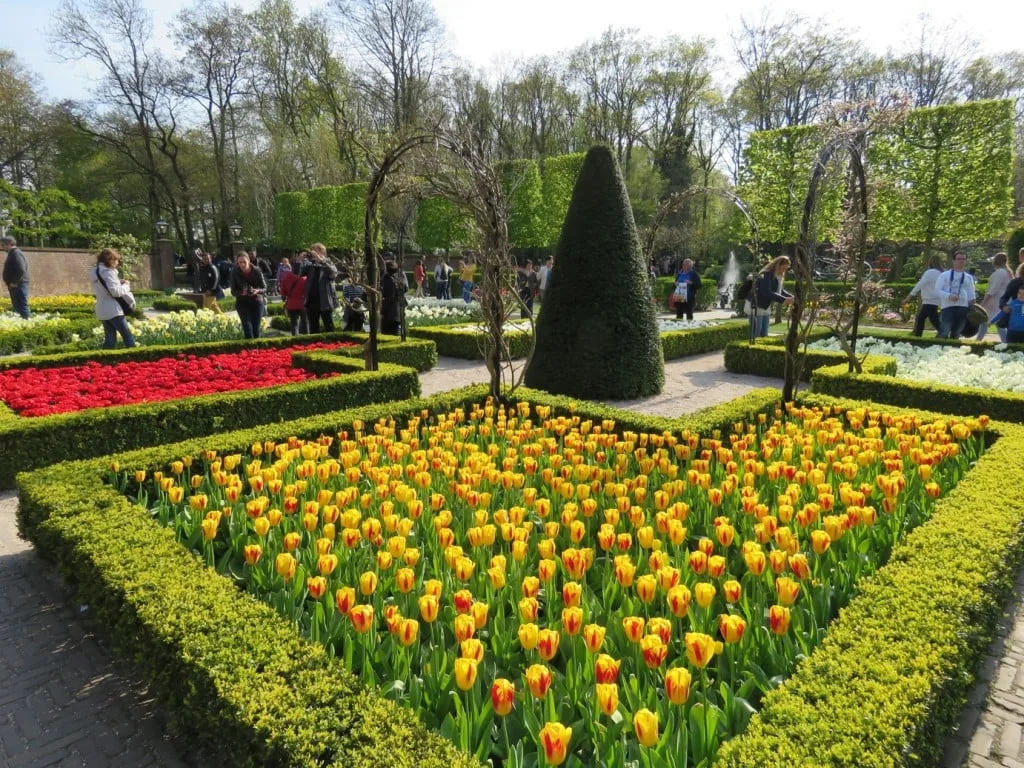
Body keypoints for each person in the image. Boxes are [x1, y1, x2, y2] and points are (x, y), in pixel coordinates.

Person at [90, 248, 136, 349]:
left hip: (102, 308)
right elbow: (116, 292)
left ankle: (104, 361)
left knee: (110, 340)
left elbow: (104, 286)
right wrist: (126, 285)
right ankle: (137, 360)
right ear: (110, 260)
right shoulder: (108, 272)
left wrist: (118, 282)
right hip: (113, 310)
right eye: (116, 259)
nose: (117, 262)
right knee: (128, 337)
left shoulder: (94, 272)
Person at [750, 256, 794, 341]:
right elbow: (766, 292)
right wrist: (784, 300)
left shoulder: (777, 275)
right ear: (778, 265)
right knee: (756, 334)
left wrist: (790, 296)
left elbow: (779, 290)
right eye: (783, 267)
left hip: (765, 306)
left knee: (764, 334)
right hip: (756, 305)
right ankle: (750, 352)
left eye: (786, 268)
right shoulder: (766, 273)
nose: (784, 270)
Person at [936, 251, 977, 339]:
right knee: (944, 331)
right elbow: (937, 290)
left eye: (963, 259)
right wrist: (949, 296)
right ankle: (937, 348)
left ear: (966, 261)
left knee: (957, 333)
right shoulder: (944, 275)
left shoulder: (968, 277)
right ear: (953, 261)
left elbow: (971, 292)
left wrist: (973, 304)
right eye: (959, 259)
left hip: (963, 308)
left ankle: (953, 351)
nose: (961, 261)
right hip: (948, 307)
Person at [903, 253, 944, 337]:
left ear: (931, 262)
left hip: (929, 299)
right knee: (929, 318)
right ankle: (941, 333)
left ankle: (919, 336)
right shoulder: (942, 273)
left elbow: (920, 285)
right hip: (936, 299)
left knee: (923, 318)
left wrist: (909, 296)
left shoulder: (930, 272)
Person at [976, 252, 1014, 342]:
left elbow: (993, 290)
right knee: (985, 322)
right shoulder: (1007, 272)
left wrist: (983, 302)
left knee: (997, 323)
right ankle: (978, 340)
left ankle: (1006, 343)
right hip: (1001, 302)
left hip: (995, 303)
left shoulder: (1000, 272)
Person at [302, 243, 339, 334]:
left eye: (315, 251)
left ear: (322, 252)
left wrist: (322, 261)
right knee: (313, 327)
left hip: (325, 300)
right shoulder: (310, 265)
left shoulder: (328, 263)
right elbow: (297, 274)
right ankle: (315, 346)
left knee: (329, 325)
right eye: (312, 251)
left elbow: (333, 274)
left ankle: (332, 345)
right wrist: (299, 261)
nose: (313, 254)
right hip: (311, 301)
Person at [230, 252, 267, 339]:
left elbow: (265, 288)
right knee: (247, 328)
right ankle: (249, 351)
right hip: (242, 302)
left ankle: (257, 350)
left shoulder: (257, 270)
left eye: (244, 262)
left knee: (256, 329)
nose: (242, 264)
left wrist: (257, 291)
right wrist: (241, 293)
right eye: (240, 262)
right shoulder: (234, 272)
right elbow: (233, 291)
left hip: (256, 301)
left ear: (248, 260)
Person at [278, 253, 308, 335]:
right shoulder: (305, 278)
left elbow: (283, 292)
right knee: (305, 323)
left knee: (294, 324)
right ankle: (307, 341)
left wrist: (284, 298)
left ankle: (295, 340)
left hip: (291, 304)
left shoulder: (286, 277)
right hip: (303, 303)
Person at [2, 236, 29, 319]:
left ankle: (26, 323)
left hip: (18, 284)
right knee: (17, 304)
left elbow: (21, 269)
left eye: (3, 245)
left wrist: (14, 282)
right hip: (16, 284)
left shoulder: (16, 253)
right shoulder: (13, 253)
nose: (2, 248)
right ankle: (22, 322)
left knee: (21, 304)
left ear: (9, 244)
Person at [381, 260, 406, 336]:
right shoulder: (397, 280)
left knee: (389, 335)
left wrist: (383, 311)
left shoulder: (389, 281)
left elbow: (389, 298)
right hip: (398, 312)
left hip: (391, 314)